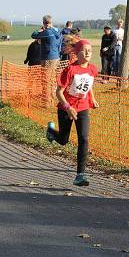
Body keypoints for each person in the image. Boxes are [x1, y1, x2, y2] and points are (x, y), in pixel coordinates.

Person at [46, 40, 99, 186]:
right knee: (63, 140)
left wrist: (92, 98)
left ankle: (80, 175)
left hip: (82, 107)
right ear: (77, 53)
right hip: (66, 108)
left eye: (90, 50)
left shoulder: (92, 69)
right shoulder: (70, 70)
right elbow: (58, 92)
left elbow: (89, 85)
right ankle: (51, 132)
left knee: (84, 138)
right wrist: (68, 107)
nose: (88, 53)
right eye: (85, 50)